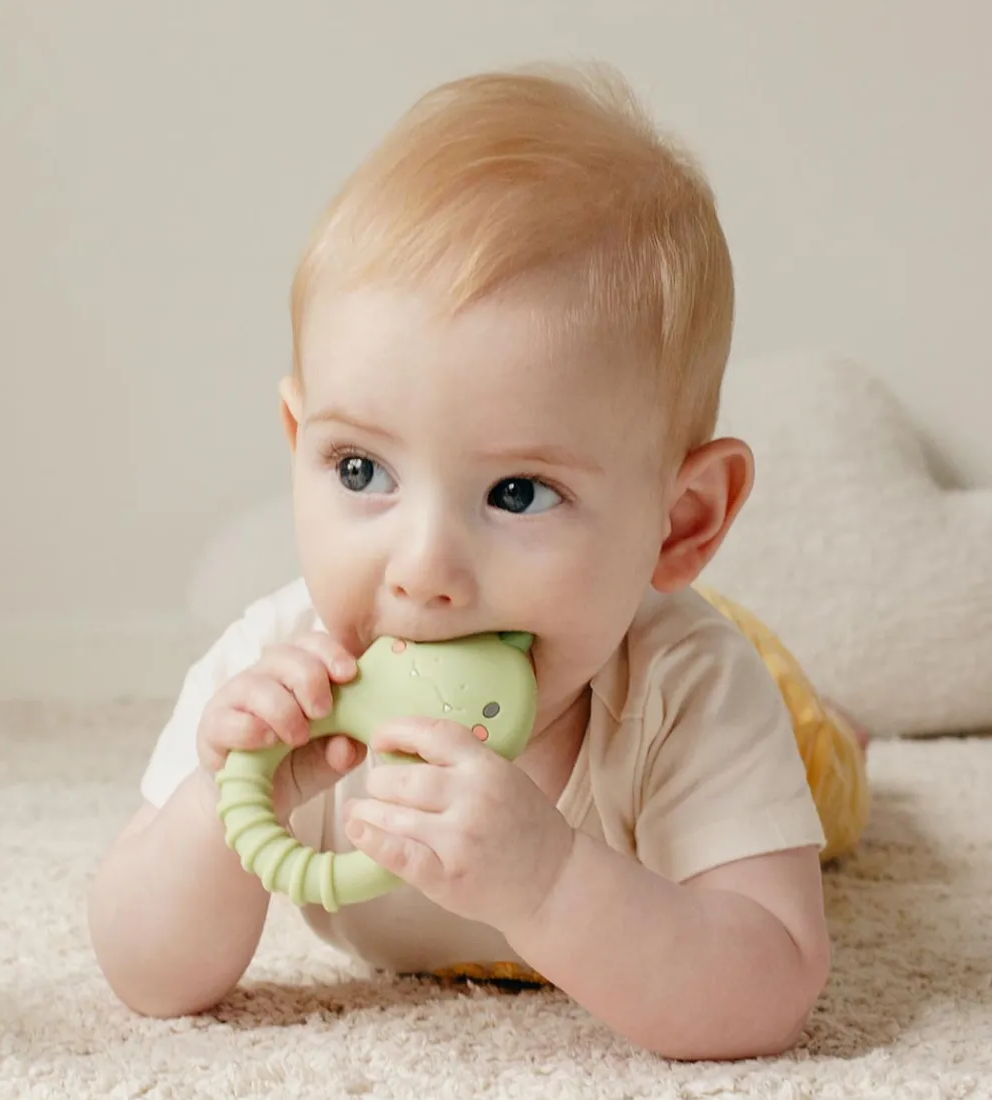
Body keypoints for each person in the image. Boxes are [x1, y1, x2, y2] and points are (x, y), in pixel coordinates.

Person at [88, 63, 869, 1061]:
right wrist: (227, 801)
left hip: (755, 693)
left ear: (678, 524)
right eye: (361, 469)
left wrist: (550, 881)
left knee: (824, 768)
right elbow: (145, 974)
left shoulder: (692, 688)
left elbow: (768, 989)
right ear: (298, 443)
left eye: (517, 492)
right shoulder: (272, 672)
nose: (422, 570)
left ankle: (839, 727)